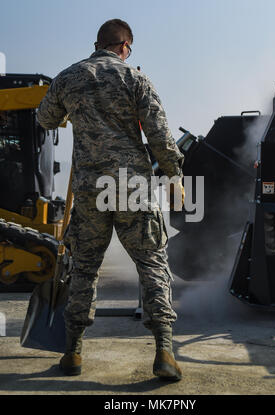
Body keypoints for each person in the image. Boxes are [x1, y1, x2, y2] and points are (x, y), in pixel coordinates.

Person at [37, 19, 185, 381]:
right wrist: (174, 175)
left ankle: (72, 353)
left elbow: (45, 118)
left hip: (89, 186)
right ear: (125, 47)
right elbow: (160, 135)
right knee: (151, 261)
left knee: (84, 266)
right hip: (131, 184)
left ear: (96, 44)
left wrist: (78, 111)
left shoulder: (68, 77)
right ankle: (164, 350)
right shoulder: (135, 79)